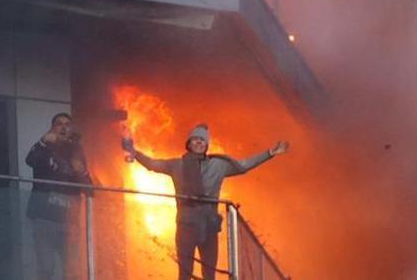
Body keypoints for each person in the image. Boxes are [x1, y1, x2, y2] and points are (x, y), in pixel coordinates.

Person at [122, 124, 288, 280]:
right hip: (186, 225)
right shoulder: (177, 165)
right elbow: (153, 164)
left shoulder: (218, 165)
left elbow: (243, 166)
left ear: (207, 144)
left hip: (209, 227)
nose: (199, 142)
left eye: (202, 140)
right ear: (189, 143)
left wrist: (270, 153)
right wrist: (135, 153)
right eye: (196, 139)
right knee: (185, 272)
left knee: (209, 273)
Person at [25, 112, 93, 280]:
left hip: (70, 223)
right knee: (46, 269)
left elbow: (90, 190)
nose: (63, 127)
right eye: (59, 124)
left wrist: (82, 173)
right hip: (44, 220)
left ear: (72, 130)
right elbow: (30, 160)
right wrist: (43, 142)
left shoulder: (77, 153)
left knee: (72, 272)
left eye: (67, 124)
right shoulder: (45, 147)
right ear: (52, 129)